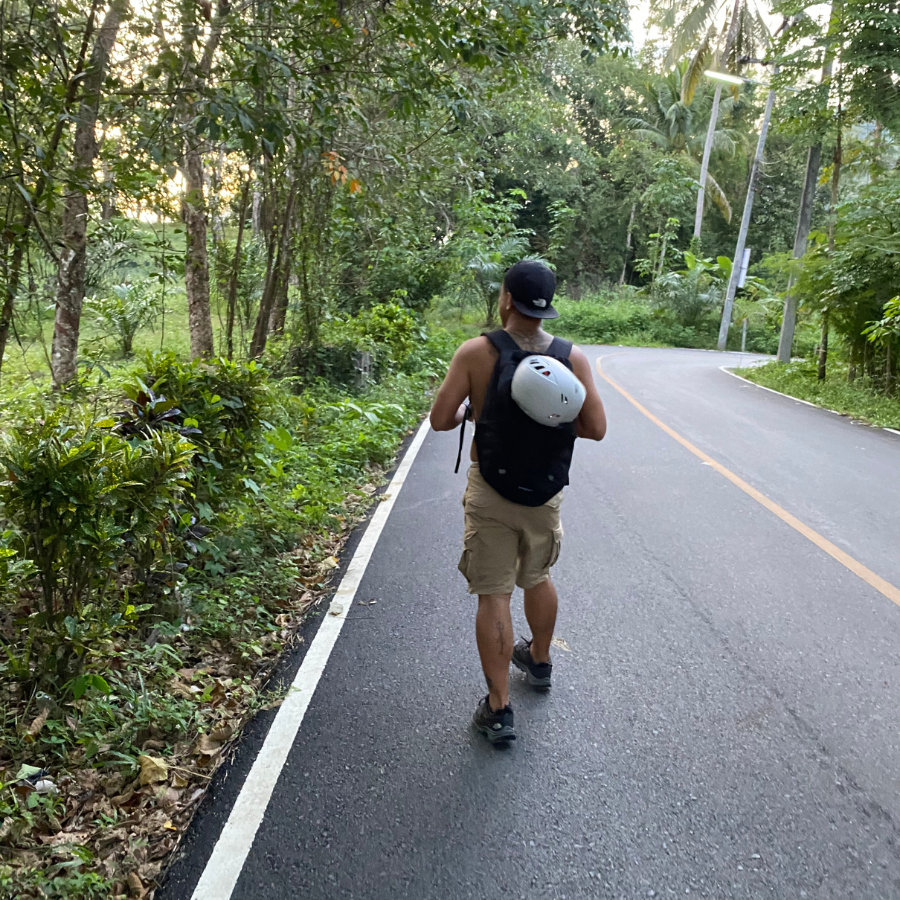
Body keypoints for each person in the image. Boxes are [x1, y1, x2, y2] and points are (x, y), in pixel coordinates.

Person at [430, 260, 607, 743]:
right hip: (545, 492)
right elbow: (595, 429)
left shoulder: (475, 353)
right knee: (540, 577)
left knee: (495, 594)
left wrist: (475, 407)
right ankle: (541, 660)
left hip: (491, 491)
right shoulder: (574, 359)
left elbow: (441, 419)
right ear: (547, 306)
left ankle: (499, 708)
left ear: (507, 299)